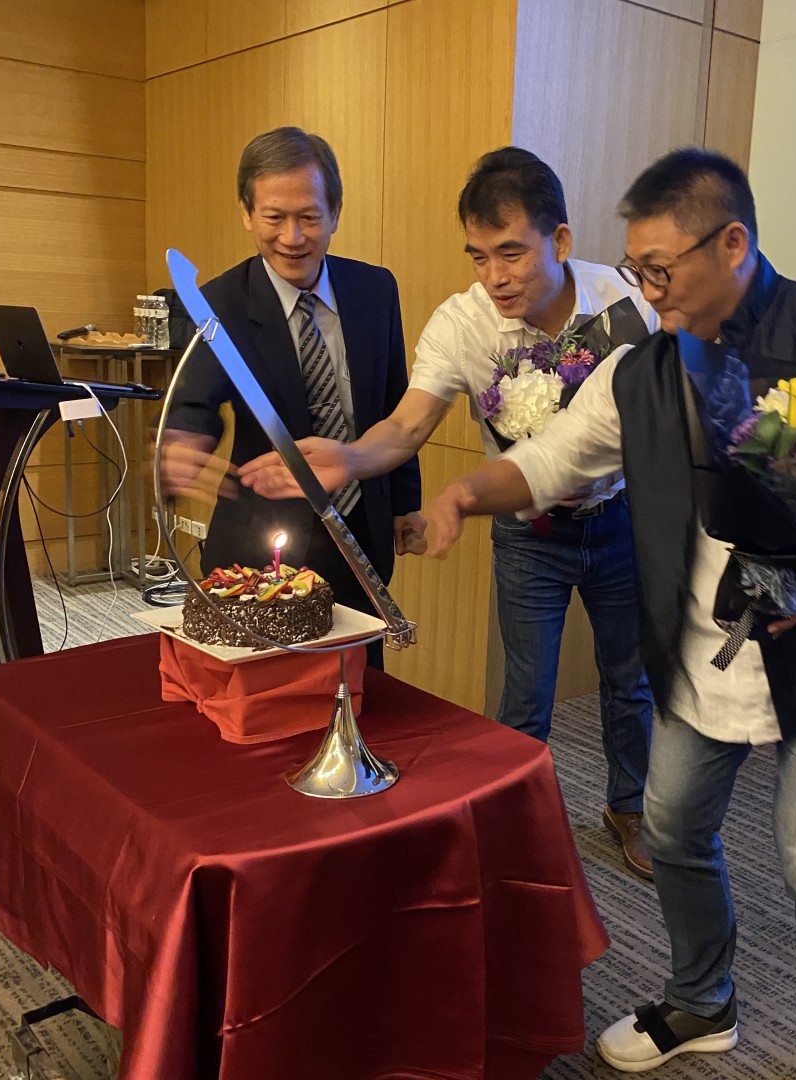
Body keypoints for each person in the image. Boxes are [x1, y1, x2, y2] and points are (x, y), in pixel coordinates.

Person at [422, 148, 796, 1080]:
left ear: (733, 243)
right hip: (703, 651)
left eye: (661, 270)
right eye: (638, 270)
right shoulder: (639, 371)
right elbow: (551, 459)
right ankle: (703, 1002)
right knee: (671, 829)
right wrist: (465, 495)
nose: (647, 291)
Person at [239, 147, 659, 879]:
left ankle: (631, 809)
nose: (495, 277)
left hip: (622, 519)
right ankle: (509, 819)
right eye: (478, 258)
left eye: (512, 254)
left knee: (630, 680)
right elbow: (406, 426)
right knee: (525, 691)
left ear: (559, 240)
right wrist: (352, 457)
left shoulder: (628, 304)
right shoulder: (462, 323)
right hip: (529, 534)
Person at [160, 127, 422, 665]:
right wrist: (184, 441)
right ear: (246, 213)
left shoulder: (376, 290)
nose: (292, 237)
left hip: (360, 528)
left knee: (361, 677)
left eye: (309, 217)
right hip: (262, 537)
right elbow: (194, 401)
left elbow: (395, 400)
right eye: (274, 217)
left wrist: (405, 502)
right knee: (270, 692)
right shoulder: (220, 302)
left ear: (336, 212)